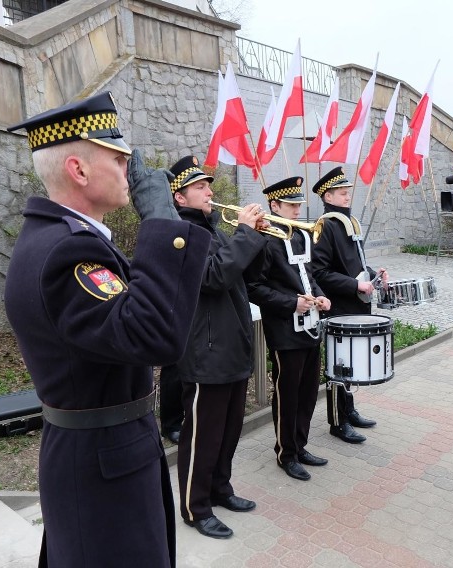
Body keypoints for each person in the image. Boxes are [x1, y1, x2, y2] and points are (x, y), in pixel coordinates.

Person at [4, 92, 211, 568]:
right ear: (79, 170)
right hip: (104, 465)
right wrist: (164, 220)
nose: (130, 169)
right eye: (118, 158)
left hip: (101, 453)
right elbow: (154, 336)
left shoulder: (57, 239)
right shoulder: (66, 253)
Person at [168, 155, 268, 540]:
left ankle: (220, 489)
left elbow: (246, 276)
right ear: (180, 197)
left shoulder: (213, 229)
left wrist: (256, 238)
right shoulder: (180, 234)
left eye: (208, 185)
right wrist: (245, 234)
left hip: (232, 347)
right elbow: (214, 276)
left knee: (228, 431)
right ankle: (196, 507)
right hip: (206, 351)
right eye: (199, 187)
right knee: (203, 434)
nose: (210, 192)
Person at [246, 176, 331, 482]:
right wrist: (290, 303)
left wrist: (319, 294)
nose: (297, 211)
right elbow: (253, 288)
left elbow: (307, 274)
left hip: (310, 326)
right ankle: (286, 452)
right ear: (275, 206)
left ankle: (300, 444)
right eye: (291, 206)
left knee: (308, 391)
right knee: (288, 393)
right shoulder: (265, 241)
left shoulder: (300, 236)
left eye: (298, 205)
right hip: (284, 328)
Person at [311, 167, 388, 444]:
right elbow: (319, 273)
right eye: (342, 193)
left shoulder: (348, 221)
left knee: (351, 365)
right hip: (339, 307)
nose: (347, 196)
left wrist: (372, 274)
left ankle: (349, 410)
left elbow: (354, 264)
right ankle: (337, 421)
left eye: (347, 192)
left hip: (356, 306)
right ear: (328, 195)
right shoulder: (326, 225)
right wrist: (355, 285)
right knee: (339, 366)